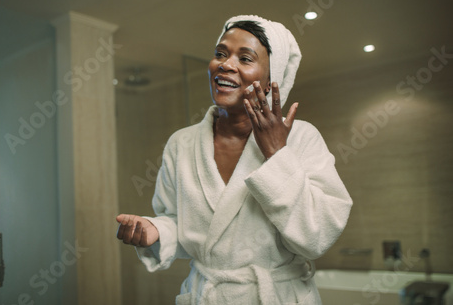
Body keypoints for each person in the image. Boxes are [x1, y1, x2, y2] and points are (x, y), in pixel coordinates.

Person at [116, 15, 353, 305]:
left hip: (276, 296)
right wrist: (156, 230)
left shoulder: (300, 137)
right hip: (208, 294)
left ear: (269, 82)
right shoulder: (183, 143)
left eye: (245, 58)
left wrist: (278, 154)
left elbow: (317, 236)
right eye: (220, 53)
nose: (225, 64)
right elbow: (177, 220)